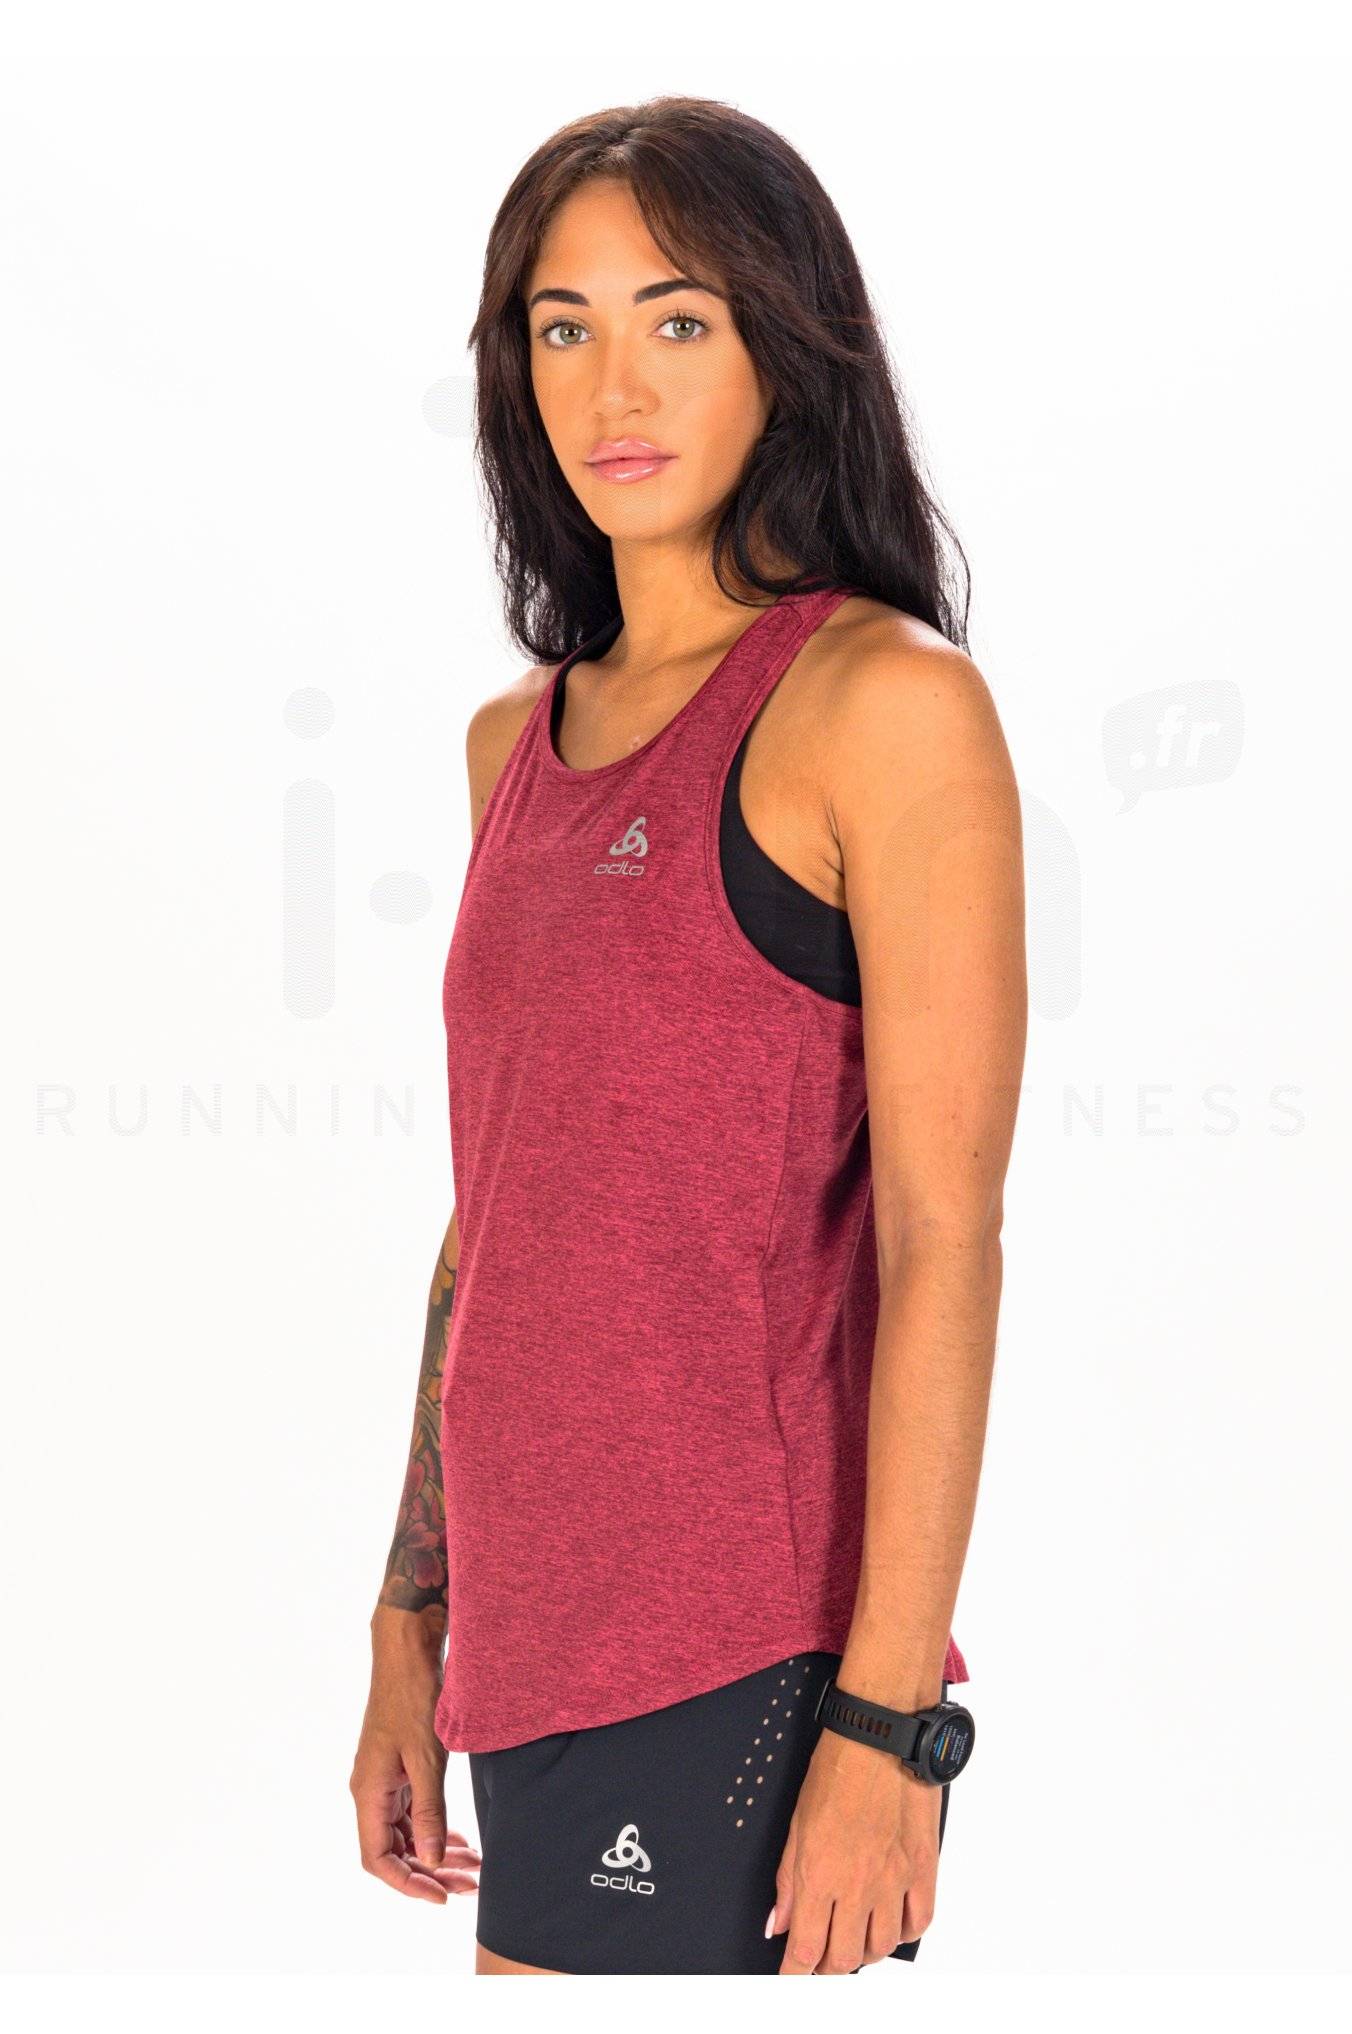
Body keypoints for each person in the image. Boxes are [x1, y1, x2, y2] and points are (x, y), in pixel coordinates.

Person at [350, 95, 1026, 1977]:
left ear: (783, 349)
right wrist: (410, 1627)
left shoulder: (877, 703)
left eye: (679, 318)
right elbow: (495, 1224)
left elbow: (944, 1235)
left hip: (748, 1647)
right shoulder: (512, 746)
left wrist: (888, 1726)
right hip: (529, 1645)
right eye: (561, 325)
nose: (613, 383)